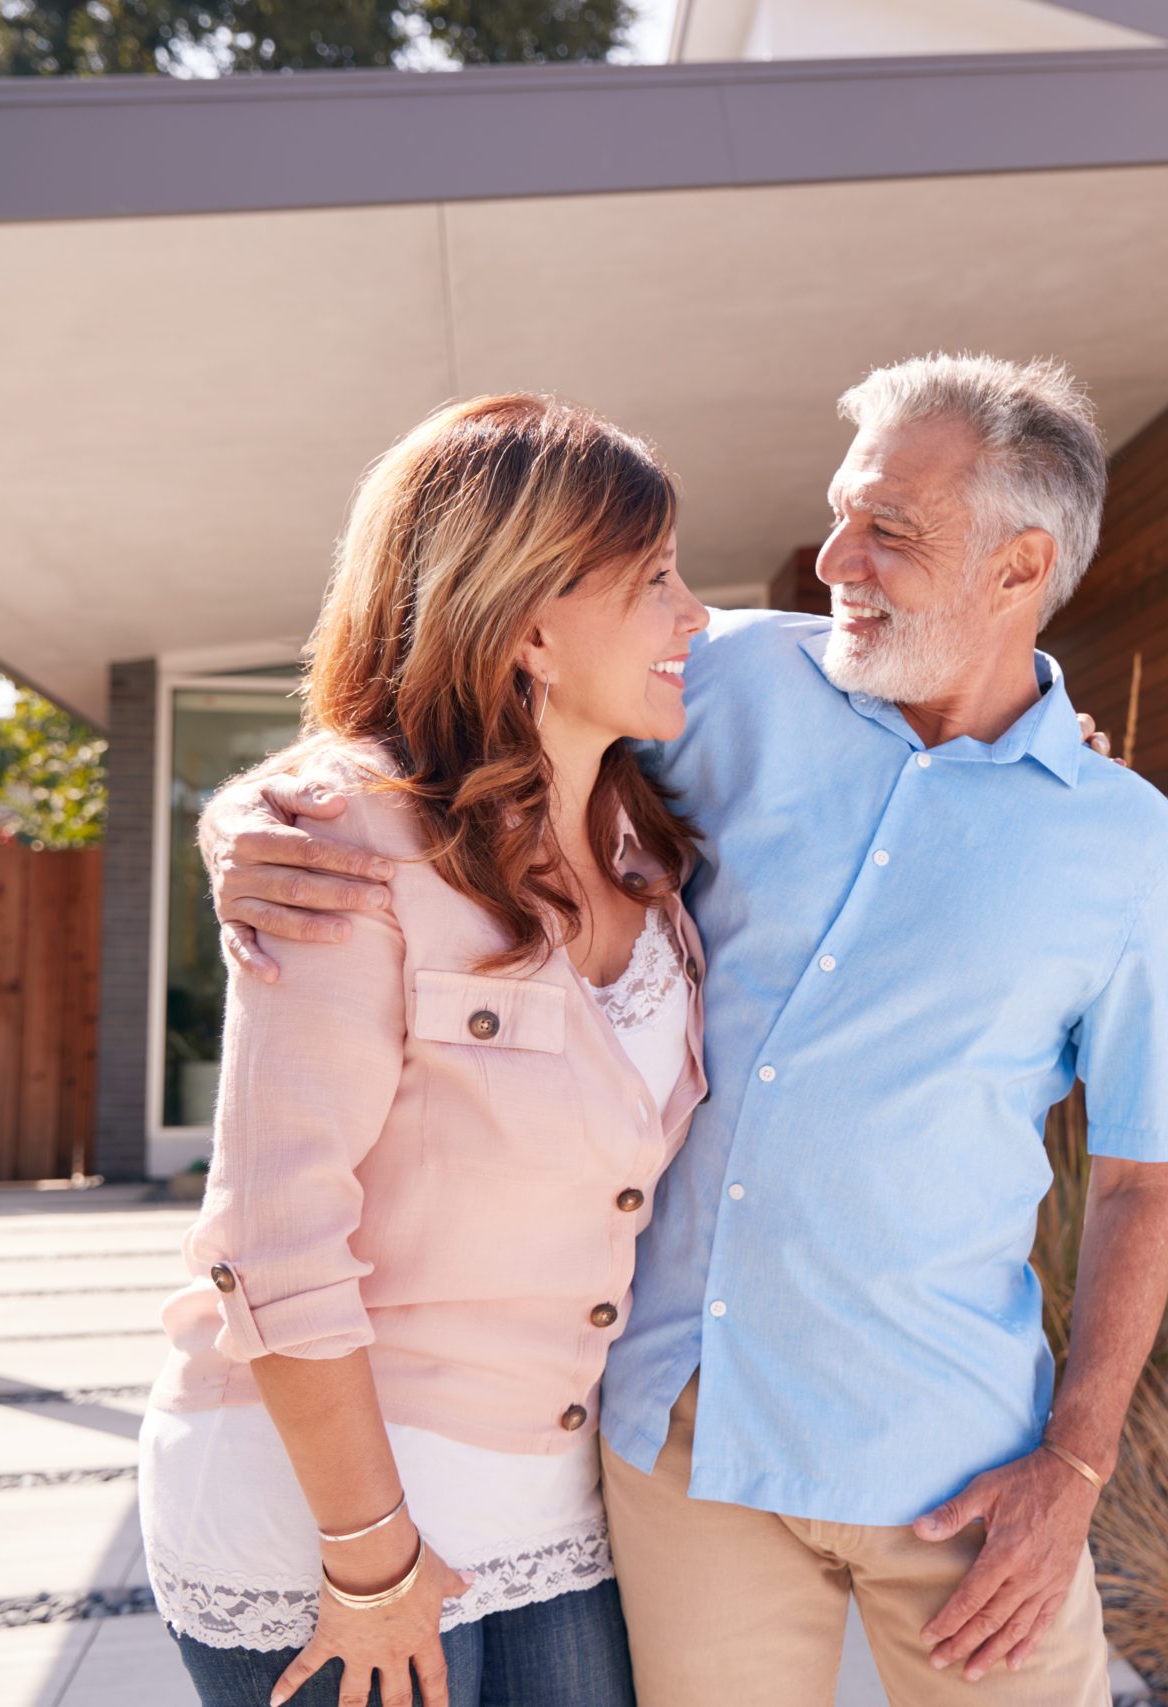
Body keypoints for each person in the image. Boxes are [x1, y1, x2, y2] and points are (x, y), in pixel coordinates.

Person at [200, 353, 1168, 1705]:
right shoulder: (721, 678)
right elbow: (446, 721)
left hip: (960, 1472)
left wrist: (1074, 1468)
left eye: (889, 531)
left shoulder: (1127, 847)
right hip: (681, 1452)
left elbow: (1143, 1178)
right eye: (842, 509)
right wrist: (249, 820)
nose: (832, 556)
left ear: (1019, 567)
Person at [145, 394, 713, 1707]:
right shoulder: (341, 844)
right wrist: (366, 1556)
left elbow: (877, 692)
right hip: (333, 1517)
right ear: (525, 621)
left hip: (551, 1497)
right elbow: (271, 1236)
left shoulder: (647, 843)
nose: (696, 616)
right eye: (656, 579)